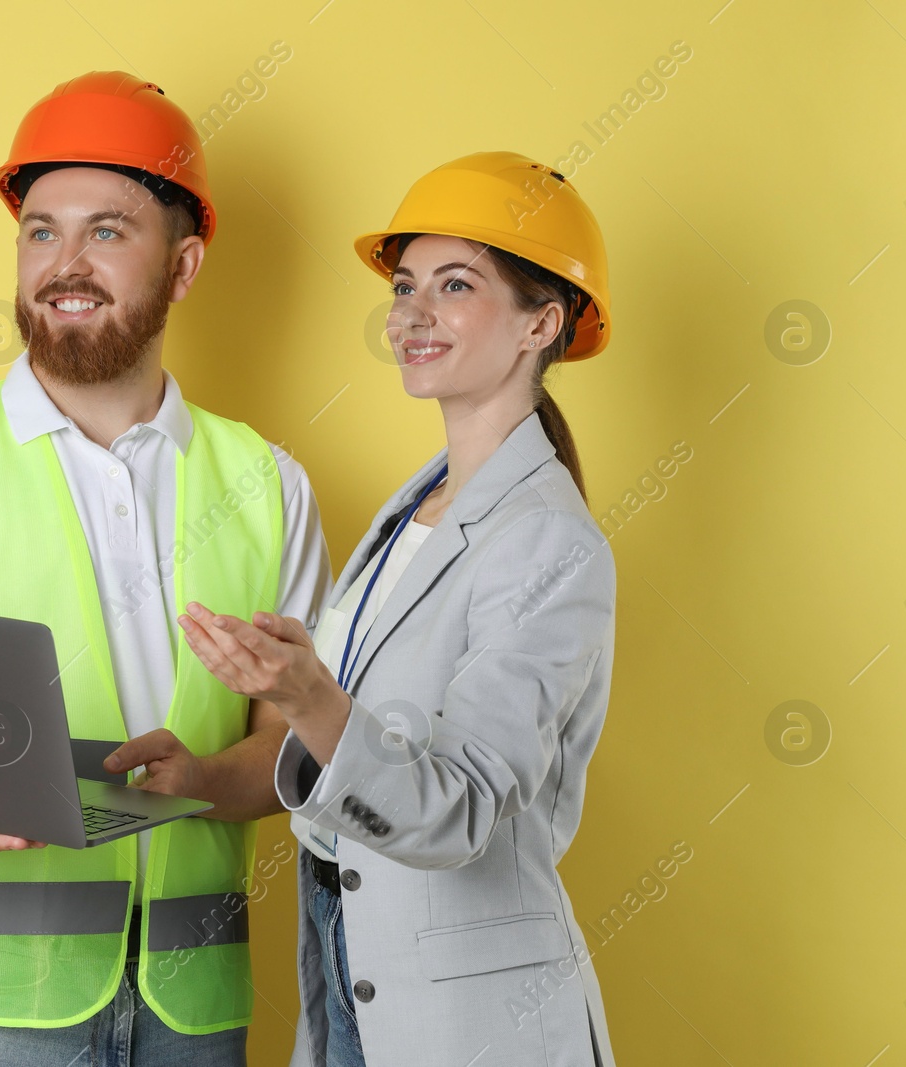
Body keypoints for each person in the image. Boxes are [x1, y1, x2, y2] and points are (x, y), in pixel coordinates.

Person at [0, 71, 332, 1066]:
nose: (64, 262)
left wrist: (204, 781)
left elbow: (303, 741)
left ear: (183, 268)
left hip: (194, 1014)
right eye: (40, 230)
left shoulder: (267, 484)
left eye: (106, 231)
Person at [177, 152, 620, 1066]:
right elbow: (366, 750)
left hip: (472, 1027)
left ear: (544, 321)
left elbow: (456, 810)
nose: (411, 313)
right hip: (355, 985)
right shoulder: (413, 510)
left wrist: (308, 697)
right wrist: (206, 772)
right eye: (406, 284)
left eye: (454, 286)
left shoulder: (548, 542)